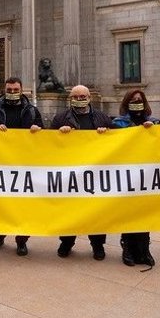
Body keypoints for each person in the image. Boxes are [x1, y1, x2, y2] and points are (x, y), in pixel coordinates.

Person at [51, 84, 112, 261]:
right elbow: (49, 145)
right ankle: (67, 242)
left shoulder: (102, 117)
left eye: (82, 96)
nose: (79, 100)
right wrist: (58, 134)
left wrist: (106, 133)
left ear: (89, 98)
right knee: (70, 212)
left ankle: (98, 245)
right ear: (70, 99)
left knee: (96, 212)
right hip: (71, 175)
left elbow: (118, 140)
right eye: (75, 97)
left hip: (96, 175)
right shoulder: (61, 118)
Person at [0, 76, 43, 256]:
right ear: (5, 90)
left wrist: (37, 129)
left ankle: (21, 240)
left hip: (24, 164)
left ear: (21, 90)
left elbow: (43, 134)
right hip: (1, 164)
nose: (12, 93)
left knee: (22, 204)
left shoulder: (32, 111)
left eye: (15, 90)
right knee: (0, 202)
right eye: (9, 90)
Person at [112, 88, 159, 267]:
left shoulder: (154, 122)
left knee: (144, 213)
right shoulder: (118, 123)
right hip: (126, 174)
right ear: (126, 103)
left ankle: (144, 250)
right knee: (129, 213)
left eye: (139, 99)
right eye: (133, 100)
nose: (136, 102)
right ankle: (128, 249)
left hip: (147, 174)